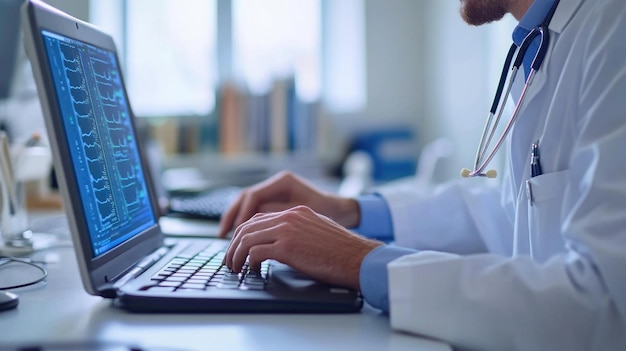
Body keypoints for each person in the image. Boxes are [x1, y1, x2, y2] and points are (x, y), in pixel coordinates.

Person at [219, 0, 626, 349]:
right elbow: (510, 212)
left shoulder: (614, 29)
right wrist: (347, 211)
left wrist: (359, 260)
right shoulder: (547, 38)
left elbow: (603, 304)